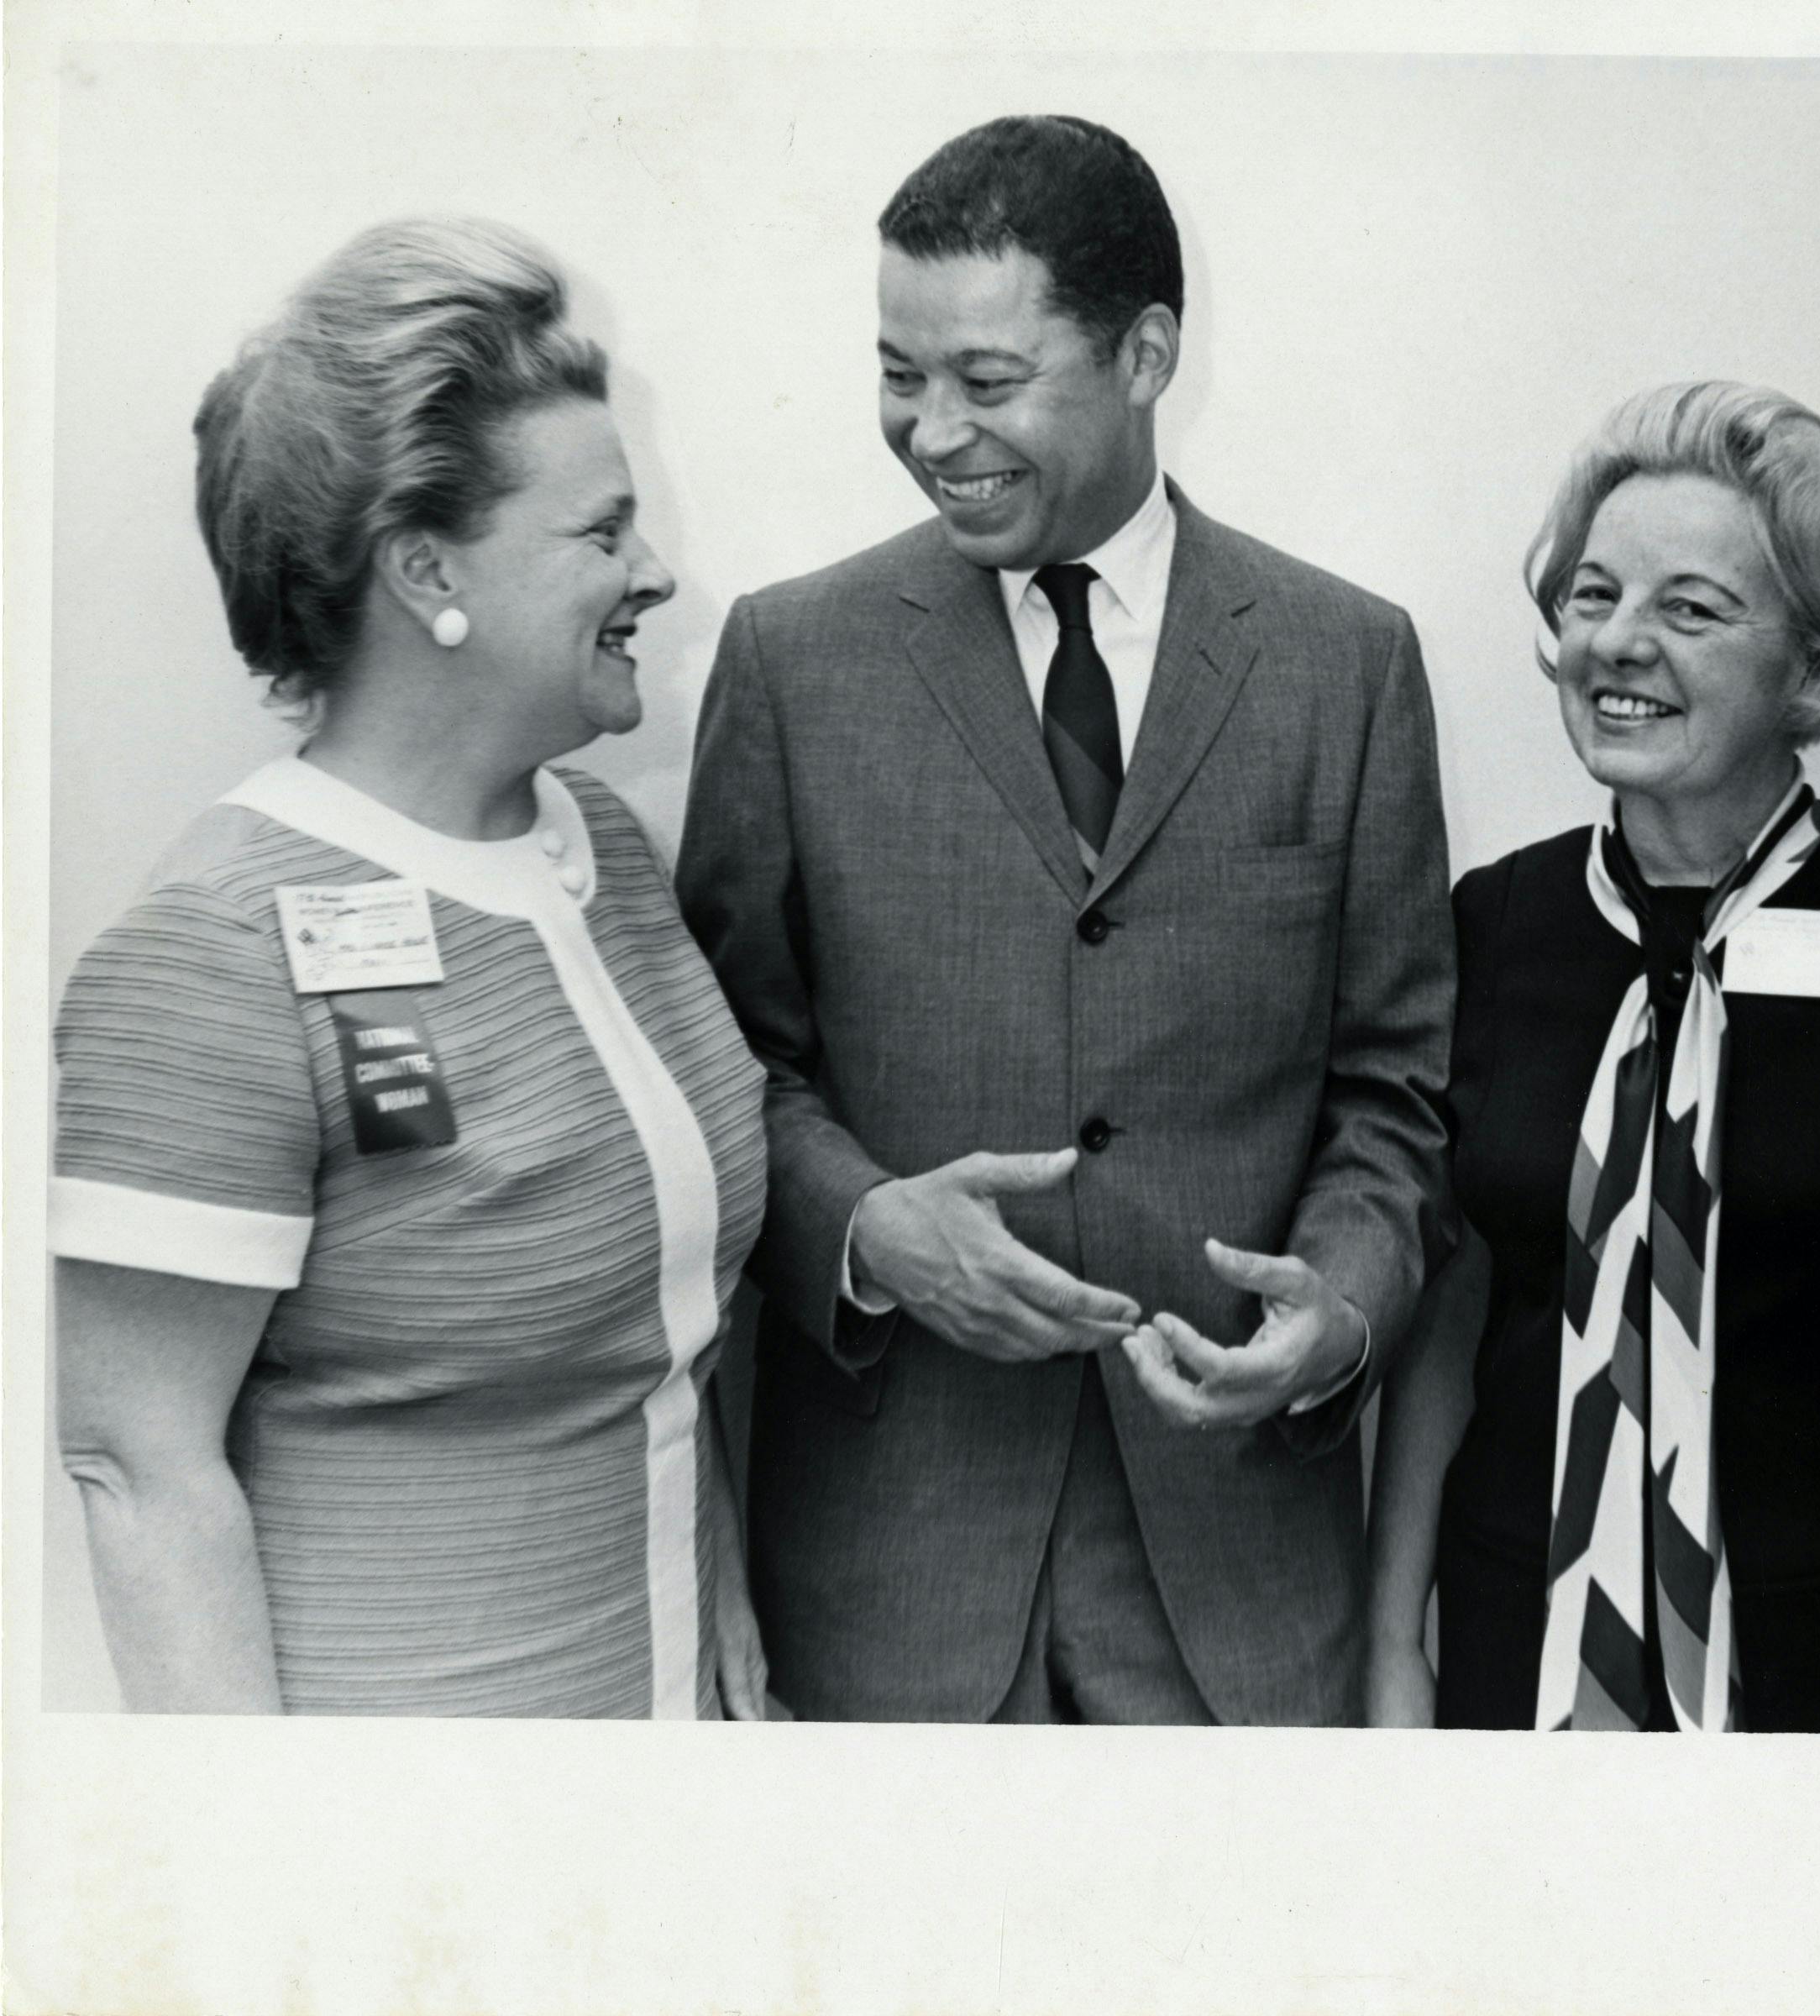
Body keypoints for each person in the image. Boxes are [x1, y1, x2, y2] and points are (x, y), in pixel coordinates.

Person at [676, 115, 1451, 1725]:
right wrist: (868, 1232)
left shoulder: (1350, 663)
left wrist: (1335, 1316)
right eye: (898, 375)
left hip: (1239, 1582)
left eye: (985, 378)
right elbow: (727, 1064)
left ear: (1145, 354)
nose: (930, 431)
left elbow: (1394, 1090)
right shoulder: (788, 661)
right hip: (891, 1585)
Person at [50, 218, 770, 1718]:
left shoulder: (603, 851)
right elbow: (138, 1467)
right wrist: (257, 1847)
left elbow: (656, 1344)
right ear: (425, 567)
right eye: (602, 533)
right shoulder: (214, 951)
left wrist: (721, 1617)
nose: (655, 574)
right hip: (414, 1813)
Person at [1366, 381, 1820, 1733]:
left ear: (1814, 673)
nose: (1618, 642)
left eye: (1690, 609)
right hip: (1517, 1634)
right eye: (1591, 595)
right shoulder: (1489, 923)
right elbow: (1457, 1301)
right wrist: (1391, 1639)